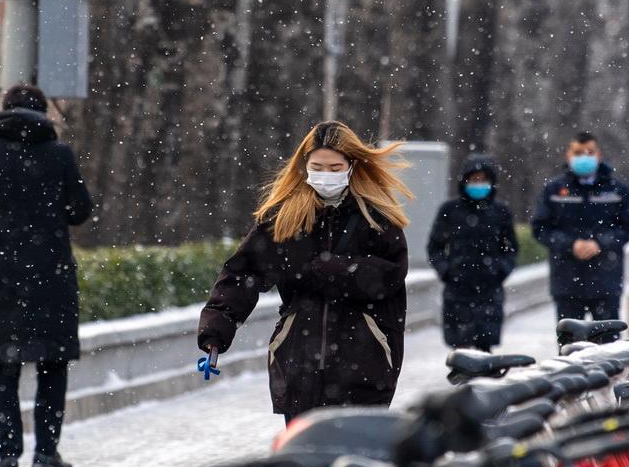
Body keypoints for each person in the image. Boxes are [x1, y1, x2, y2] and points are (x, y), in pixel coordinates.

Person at [198, 121, 412, 424]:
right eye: (318, 167)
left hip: (364, 365)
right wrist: (216, 331)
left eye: (335, 167)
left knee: (351, 463)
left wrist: (331, 269)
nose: (326, 175)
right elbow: (243, 272)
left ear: (352, 167)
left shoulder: (376, 217)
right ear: (305, 166)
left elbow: (390, 275)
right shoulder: (283, 217)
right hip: (299, 365)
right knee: (303, 460)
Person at [0, 84, 92, 467]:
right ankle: (46, 452)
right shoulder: (59, 156)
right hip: (51, 278)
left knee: (2, 366)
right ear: (43, 113)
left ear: (4, 112)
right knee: (52, 363)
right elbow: (80, 210)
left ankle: (7, 453)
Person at [531, 131, 629, 322]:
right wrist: (570, 244)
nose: (584, 157)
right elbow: (540, 228)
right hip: (566, 281)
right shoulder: (554, 190)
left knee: (608, 347)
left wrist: (600, 244)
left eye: (590, 152)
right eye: (579, 152)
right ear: (569, 155)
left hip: (606, 280)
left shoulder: (616, 190)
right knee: (570, 346)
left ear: (599, 155)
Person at [427, 155, 518, 351]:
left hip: (489, 289)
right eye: (474, 180)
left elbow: (511, 248)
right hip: (458, 289)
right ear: (465, 181)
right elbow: (435, 247)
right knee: (461, 347)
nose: (479, 184)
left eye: (483, 179)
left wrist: (500, 270)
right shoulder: (450, 211)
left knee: (485, 348)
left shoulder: (501, 212)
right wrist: (447, 271)